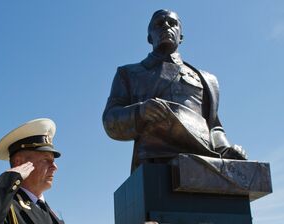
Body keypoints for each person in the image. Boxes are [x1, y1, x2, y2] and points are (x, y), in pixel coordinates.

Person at [103, 9, 246, 172]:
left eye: (172, 23)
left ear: (181, 36)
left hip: (203, 160)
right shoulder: (129, 74)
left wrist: (226, 150)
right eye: (159, 23)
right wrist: (140, 112)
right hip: (156, 163)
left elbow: (214, 127)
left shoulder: (206, 79)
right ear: (149, 37)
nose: (166, 25)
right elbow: (110, 120)